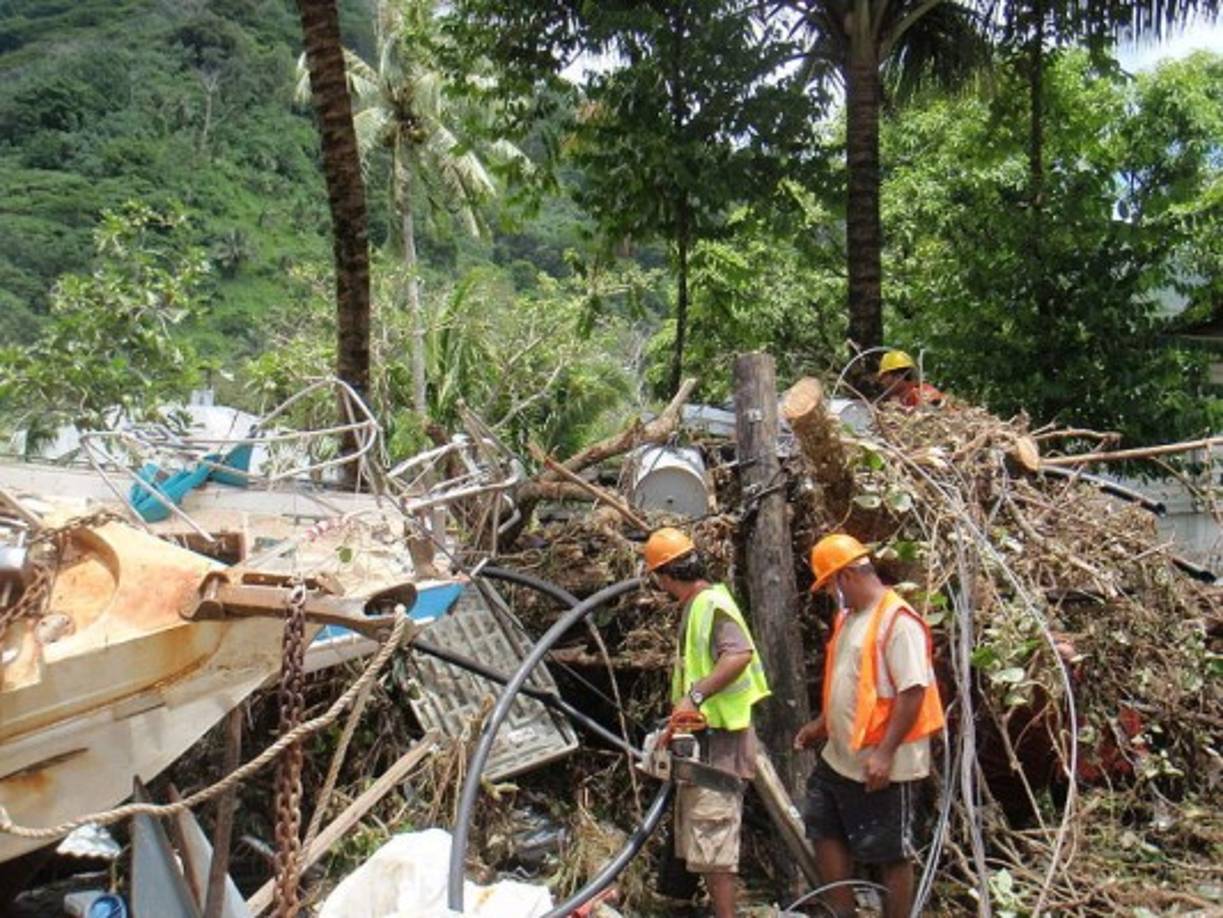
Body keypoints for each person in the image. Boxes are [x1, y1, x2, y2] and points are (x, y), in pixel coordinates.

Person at [794, 533, 944, 918]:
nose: (830, 594)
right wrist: (823, 724)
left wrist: (885, 753)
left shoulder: (898, 621)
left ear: (845, 577)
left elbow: (912, 692)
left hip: (884, 764)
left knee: (890, 852)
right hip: (841, 757)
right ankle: (842, 913)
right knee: (823, 826)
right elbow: (853, 685)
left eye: (829, 585)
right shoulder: (849, 619)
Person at [643, 526, 771, 918]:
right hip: (704, 739)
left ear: (665, 576)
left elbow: (738, 654)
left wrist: (695, 695)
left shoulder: (711, 604)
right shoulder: (698, 605)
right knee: (700, 840)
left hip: (721, 742)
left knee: (714, 844)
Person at [878, 349, 944, 409]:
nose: (881, 381)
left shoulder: (925, 393)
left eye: (884, 376)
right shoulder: (901, 400)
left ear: (898, 376)